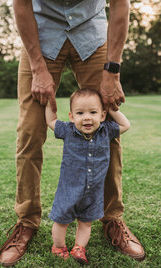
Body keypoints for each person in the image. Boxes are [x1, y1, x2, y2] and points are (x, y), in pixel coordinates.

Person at [0, 0, 145, 266]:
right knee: (30, 133)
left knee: (107, 130)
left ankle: (112, 219)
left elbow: (120, 2)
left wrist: (112, 69)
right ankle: (26, 222)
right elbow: (21, 2)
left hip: (92, 33)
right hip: (40, 35)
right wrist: (38, 68)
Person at [46, 88, 130, 265]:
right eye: (80, 113)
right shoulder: (67, 130)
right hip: (68, 190)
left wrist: (113, 109)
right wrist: (49, 102)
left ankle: (79, 248)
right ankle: (58, 247)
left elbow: (125, 125)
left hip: (93, 191)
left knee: (86, 222)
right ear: (71, 116)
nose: (86, 117)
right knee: (62, 220)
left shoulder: (106, 131)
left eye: (93, 112)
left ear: (102, 115)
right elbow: (51, 120)